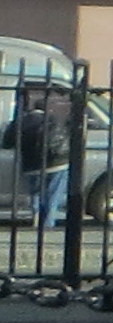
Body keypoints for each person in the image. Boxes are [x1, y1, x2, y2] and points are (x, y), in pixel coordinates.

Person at [12, 83, 74, 230]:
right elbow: (64, 135)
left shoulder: (22, 121)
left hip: (32, 164)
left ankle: (36, 215)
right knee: (53, 194)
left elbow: (8, 140)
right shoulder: (53, 120)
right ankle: (48, 223)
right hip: (58, 162)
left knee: (36, 192)